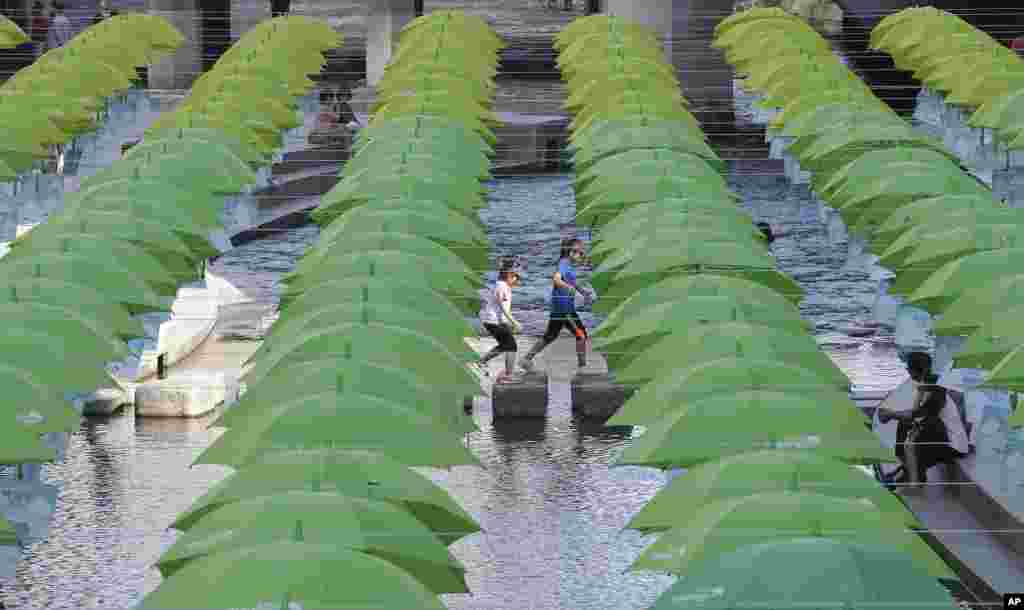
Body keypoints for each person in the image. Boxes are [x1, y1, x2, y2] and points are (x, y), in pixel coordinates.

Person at [877, 352, 969, 487]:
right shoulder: (924, 384)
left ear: (913, 370)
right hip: (941, 439)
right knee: (907, 425)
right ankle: (908, 470)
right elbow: (914, 412)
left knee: (923, 427)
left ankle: (914, 475)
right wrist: (892, 414)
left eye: (909, 368)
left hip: (952, 445)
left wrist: (891, 414)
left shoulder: (937, 388)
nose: (907, 370)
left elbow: (924, 413)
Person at [520, 238, 593, 371]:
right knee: (581, 334)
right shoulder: (564, 263)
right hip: (564, 308)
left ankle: (526, 359)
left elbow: (571, 281)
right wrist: (567, 287)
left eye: (582, 253)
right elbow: (556, 279)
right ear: (569, 252)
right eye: (578, 252)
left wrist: (583, 292)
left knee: (550, 336)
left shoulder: (568, 265)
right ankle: (582, 367)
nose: (580, 255)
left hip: (560, 307)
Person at [473, 257, 523, 383]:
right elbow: (503, 309)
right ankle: (508, 376)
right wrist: (515, 323)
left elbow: (500, 309)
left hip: (490, 320)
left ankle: (480, 362)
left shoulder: (501, 285)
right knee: (511, 346)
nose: (518, 281)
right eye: (517, 277)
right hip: (492, 321)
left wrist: (507, 324)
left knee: (505, 345)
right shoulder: (502, 287)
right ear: (509, 275)